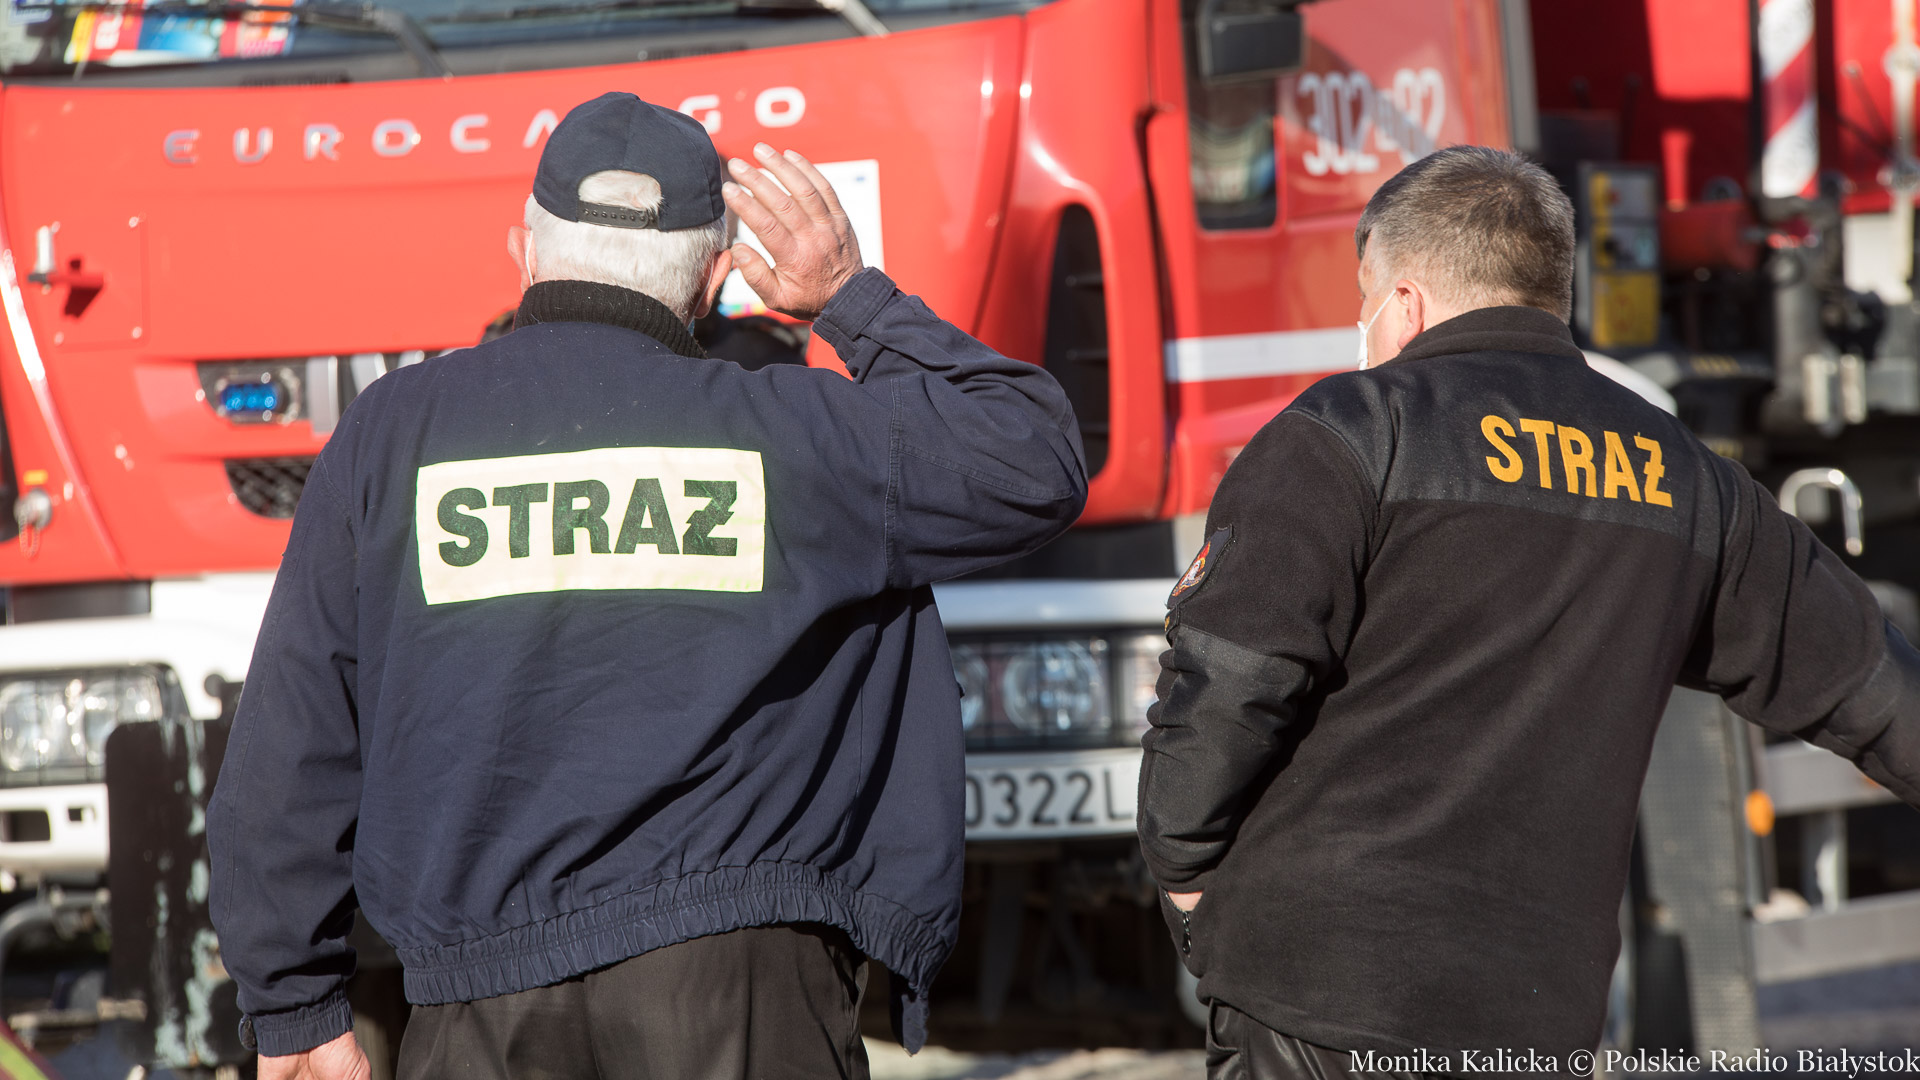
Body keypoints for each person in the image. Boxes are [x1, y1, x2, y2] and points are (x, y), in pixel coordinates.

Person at [207, 92, 1087, 1080]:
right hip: (738, 1000)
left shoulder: (391, 434)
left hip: (478, 1007)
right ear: (714, 279)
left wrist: (293, 1001)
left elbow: (294, 730)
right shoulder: (800, 432)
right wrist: (849, 294)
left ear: (524, 253)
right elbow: (1035, 460)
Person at [1136, 146, 1920, 1076]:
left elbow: (1228, 681)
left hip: (1318, 1000)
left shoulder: (1348, 434)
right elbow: (1869, 686)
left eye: (1366, 297)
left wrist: (1182, 870)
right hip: (1535, 1020)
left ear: (1406, 301)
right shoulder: (1688, 480)